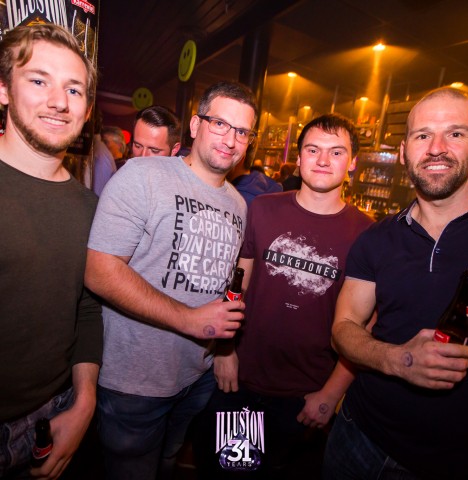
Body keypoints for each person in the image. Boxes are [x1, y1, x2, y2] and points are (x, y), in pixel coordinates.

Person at [84, 81, 258, 480]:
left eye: (242, 131)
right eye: (220, 124)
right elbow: (99, 270)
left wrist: (224, 348)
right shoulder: (143, 175)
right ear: (195, 125)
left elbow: (221, 284)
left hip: (197, 375)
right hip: (135, 381)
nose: (230, 139)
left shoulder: (238, 203)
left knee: (169, 462)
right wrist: (188, 319)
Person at [195, 113, 373, 479]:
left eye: (336, 152)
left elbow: (365, 325)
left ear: (352, 162)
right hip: (242, 379)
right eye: (313, 149)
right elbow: (237, 284)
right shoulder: (264, 208)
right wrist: (224, 351)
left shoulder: (366, 234)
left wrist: (331, 393)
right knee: (229, 469)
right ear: (299, 155)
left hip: (305, 395)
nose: (323, 160)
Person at [323, 87, 468, 480]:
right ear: (404, 152)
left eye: (455, 133)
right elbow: (343, 329)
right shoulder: (376, 239)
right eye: (423, 135)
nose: (437, 148)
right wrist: (400, 360)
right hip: (359, 436)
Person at [0, 24, 102, 479]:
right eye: (39, 80)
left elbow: (86, 309)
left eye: (74, 89)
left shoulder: (92, 208)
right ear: (4, 89)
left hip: (55, 413)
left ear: (87, 109)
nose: (59, 102)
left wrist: (84, 402)